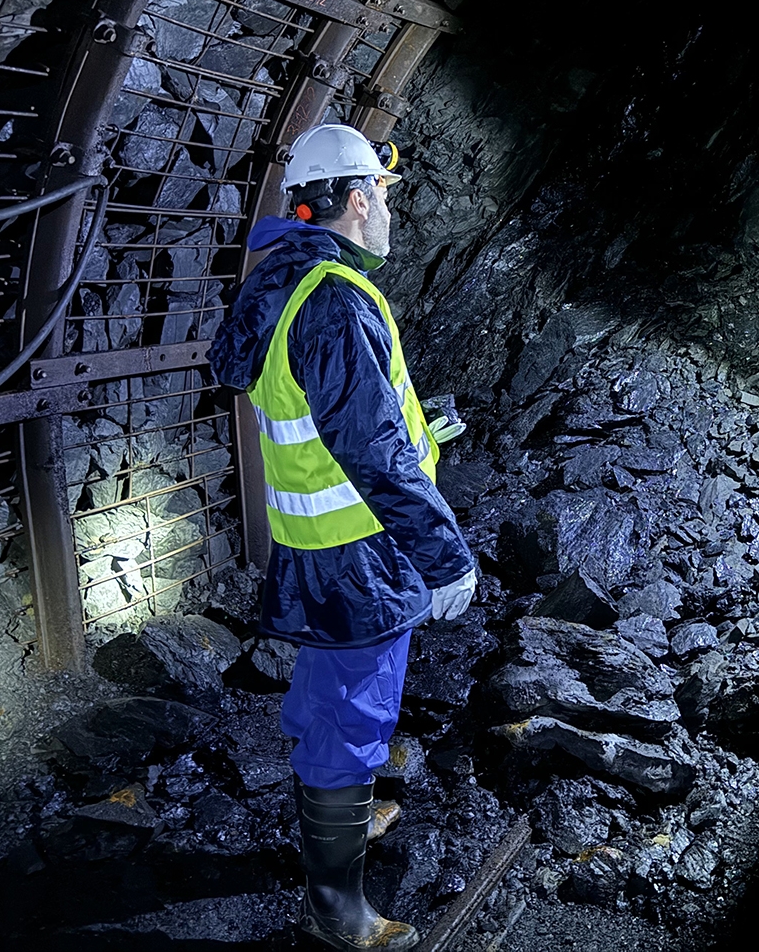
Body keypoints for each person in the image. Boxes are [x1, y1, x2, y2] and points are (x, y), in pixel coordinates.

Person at [211, 124, 477, 950]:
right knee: (357, 710)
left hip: (316, 544)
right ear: (358, 197)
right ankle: (335, 908)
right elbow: (371, 452)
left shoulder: (283, 280)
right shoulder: (334, 300)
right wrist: (445, 555)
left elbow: (332, 419)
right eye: (386, 197)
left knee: (328, 694)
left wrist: (418, 426)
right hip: (361, 553)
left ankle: (344, 806)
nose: (391, 212)